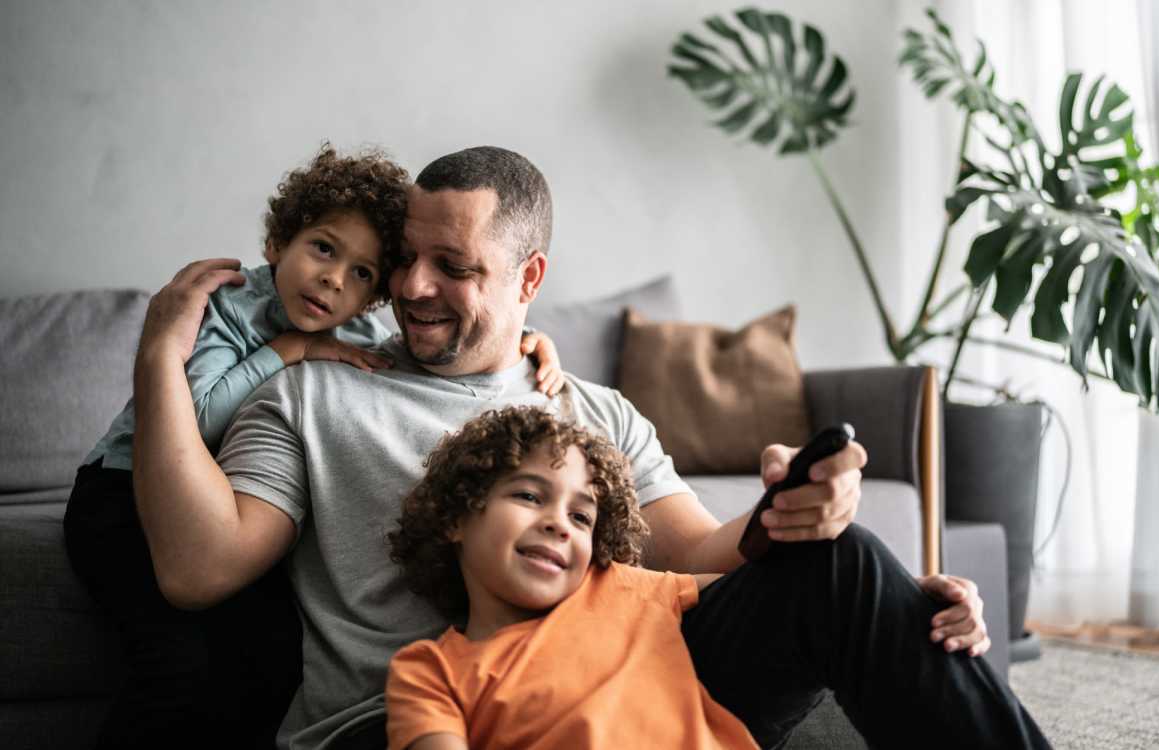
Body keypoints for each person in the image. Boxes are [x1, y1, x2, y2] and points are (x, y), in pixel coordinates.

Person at [131, 146, 1049, 749]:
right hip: (410, 718)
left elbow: (693, 555)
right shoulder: (316, 389)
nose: (410, 285)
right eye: (405, 257)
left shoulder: (591, 408)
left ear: (528, 277)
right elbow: (195, 569)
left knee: (841, 561)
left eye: (453, 267)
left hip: (605, 692)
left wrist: (796, 520)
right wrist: (159, 357)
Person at [62, 145, 563, 749]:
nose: (334, 279)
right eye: (324, 249)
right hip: (120, 491)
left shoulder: (349, 327)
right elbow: (193, 415)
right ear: (278, 241)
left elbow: (457, 337)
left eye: (363, 274)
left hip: (216, 492)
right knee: (182, 670)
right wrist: (284, 352)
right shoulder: (231, 307)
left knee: (274, 655)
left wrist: (528, 337)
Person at [385, 405, 758, 749]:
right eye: (529, 496)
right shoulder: (430, 673)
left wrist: (785, 504)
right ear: (455, 518)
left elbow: (762, 590)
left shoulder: (622, 584)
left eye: (581, 518)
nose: (559, 525)